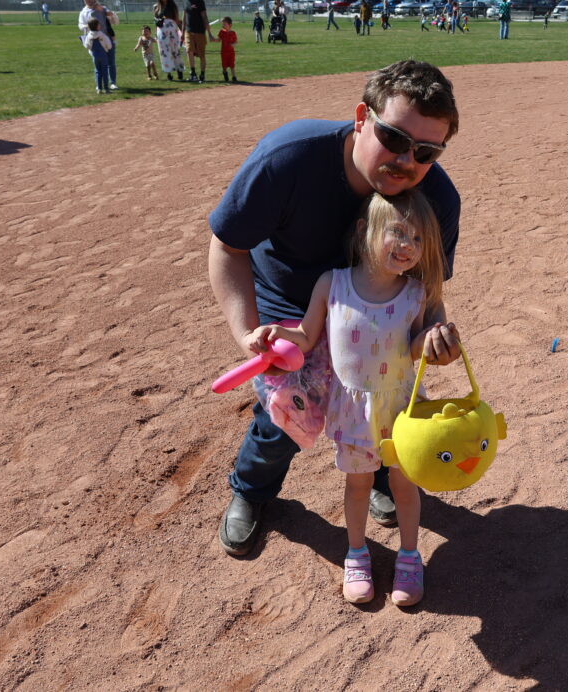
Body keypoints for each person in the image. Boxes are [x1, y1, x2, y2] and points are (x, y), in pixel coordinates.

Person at [207, 59, 463, 558]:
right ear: (362, 118)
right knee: (287, 411)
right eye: (393, 138)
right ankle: (252, 491)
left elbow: (428, 289)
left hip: (380, 303)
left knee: (390, 399)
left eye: (426, 150)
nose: (407, 159)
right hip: (292, 300)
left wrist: (435, 333)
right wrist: (248, 333)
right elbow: (226, 247)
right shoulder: (290, 158)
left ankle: (386, 476)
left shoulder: (436, 198)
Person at [246, 190, 451, 606]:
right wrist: (275, 334)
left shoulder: (417, 293)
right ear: (364, 231)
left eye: (417, 239)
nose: (408, 246)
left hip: (404, 409)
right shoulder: (333, 284)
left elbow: (416, 348)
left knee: (403, 486)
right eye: (398, 232)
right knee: (358, 486)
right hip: (353, 411)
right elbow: (306, 337)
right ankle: (356, 553)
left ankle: (409, 556)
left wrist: (432, 339)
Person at [79, 0, 117, 89]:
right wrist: (88, 26)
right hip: (95, 41)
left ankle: (113, 83)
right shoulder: (84, 12)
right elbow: (80, 25)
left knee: (111, 62)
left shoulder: (102, 8)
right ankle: (99, 85)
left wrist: (105, 11)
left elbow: (112, 18)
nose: (89, 1)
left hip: (107, 38)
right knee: (98, 64)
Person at [153, 0, 184, 81]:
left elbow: (177, 19)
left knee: (175, 51)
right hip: (161, 32)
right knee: (164, 52)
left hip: (172, 31)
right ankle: (168, 73)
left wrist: (182, 31)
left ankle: (179, 70)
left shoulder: (173, 5)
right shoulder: (156, 7)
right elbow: (156, 21)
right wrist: (155, 33)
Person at [181, 0, 209, 82]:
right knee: (189, 51)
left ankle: (202, 74)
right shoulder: (185, 1)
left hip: (199, 31)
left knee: (201, 54)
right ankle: (193, 74)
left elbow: (204, 17)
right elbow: (184, 18)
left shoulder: (200, 1)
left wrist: (209, 33)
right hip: (188, 31)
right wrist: (182, 33)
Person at [84, 17, 112, 93]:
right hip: (103, 55)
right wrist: (107, 48)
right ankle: (106, 88)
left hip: (95, 55)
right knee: (105, 71)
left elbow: (87, 45)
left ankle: (99, 88)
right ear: (97, 26)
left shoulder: (89, 36)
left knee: (97, 71)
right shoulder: (102, 35)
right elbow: (109, 45)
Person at [209, 15, 237, 83]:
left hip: (231, 52)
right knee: (224, 66)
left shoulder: (233, 33)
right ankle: (225, 73)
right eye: (223, 24)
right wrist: (213, 39)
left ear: (230, 25)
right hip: (224, 52)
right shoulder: (222, 32)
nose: (223, 25)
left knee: (232, 65)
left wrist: (232, 44)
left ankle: (234, 77)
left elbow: (235, 42)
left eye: (225, 24)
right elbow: (219, 40)